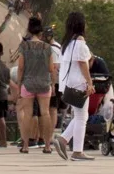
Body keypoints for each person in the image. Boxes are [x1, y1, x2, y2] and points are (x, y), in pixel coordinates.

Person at [53, 9, 93, 163]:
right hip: (79, 83)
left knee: (80, 115)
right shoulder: (80, 43)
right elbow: (83, 64)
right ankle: (77, 151)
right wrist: (89, 82)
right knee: (82, 117)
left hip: (68, 83)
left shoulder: (67, 43)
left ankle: (63, 139)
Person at [13, 13, 55, 154]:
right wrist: (53, 83)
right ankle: (47, 145)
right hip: (44, 83)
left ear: (29, 30)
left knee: (27, 114)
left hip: (28, 83)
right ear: (41, 31)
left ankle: (25, 145)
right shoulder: (47, 47)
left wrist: (19, 85)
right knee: (45, 113)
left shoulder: (24, 46)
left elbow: (20, 67)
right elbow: (51, 68)